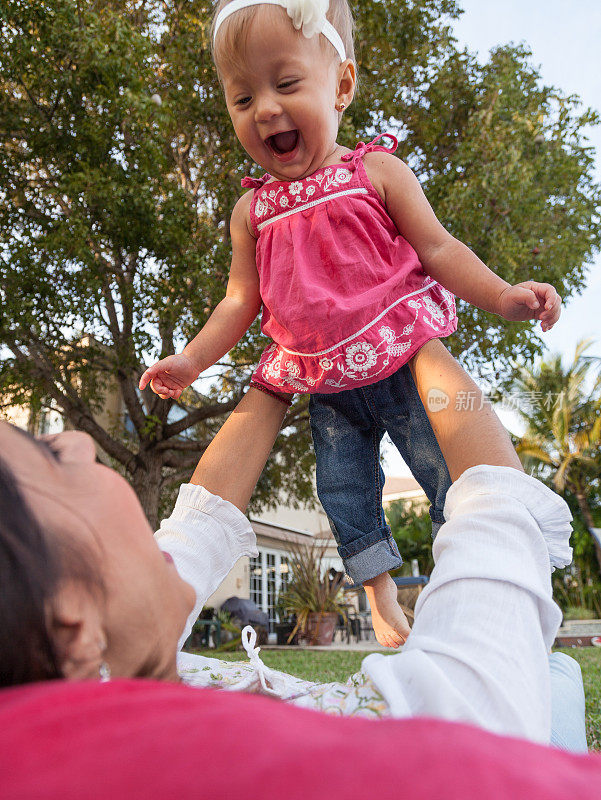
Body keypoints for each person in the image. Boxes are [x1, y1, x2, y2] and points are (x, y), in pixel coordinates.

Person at [138, 0, 562, 649]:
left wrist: (503, 295)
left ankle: (478, 575)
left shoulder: (375, 171)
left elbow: (440, 250)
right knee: (341, 490)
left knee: (443, 469)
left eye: (285, 84)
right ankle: (378, 591)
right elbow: (237, 300)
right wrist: (191, 361)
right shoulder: (250, 211)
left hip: (399, 350)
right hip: (319, 375)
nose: (265, 109)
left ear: (340, 86)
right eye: (242, 96)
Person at [0, 346, 586, 751]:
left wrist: (281, 364)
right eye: (50, 459)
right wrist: (410, 331)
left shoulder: (96, 655)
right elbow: (498, 521)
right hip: (536, 717)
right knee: (554, 677)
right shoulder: (379, 742)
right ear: (72, 625)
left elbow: (201, 520)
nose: (77, 440)